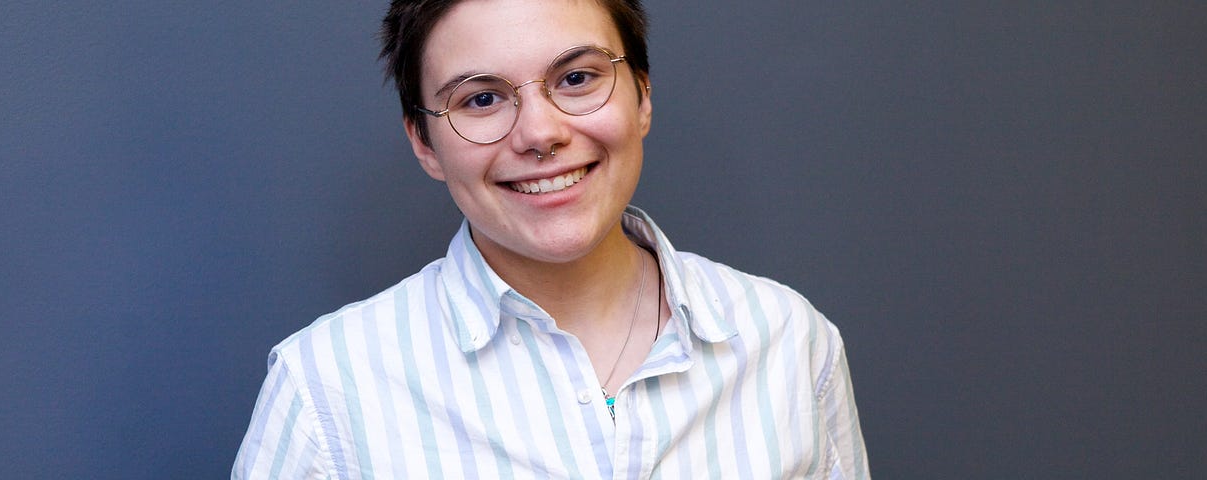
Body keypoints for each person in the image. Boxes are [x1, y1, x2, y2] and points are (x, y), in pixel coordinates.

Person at [232, 0, 868, 477]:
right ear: (424, 143)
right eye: (481, 99)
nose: (540, 132)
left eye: (577, 79)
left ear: (642, 93)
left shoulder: (789, 341)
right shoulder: (326, 388)